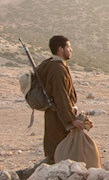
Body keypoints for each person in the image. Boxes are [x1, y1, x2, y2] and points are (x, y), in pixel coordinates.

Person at [35, 35, 85, 163]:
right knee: (58, 153)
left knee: (58, 152)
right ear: (60, 49)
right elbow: (61, 96)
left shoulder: (51, 64)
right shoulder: (57, 68)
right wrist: (72, 120)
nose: (71, 50)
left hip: (57, 115)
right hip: (58, 117)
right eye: (68, 47)